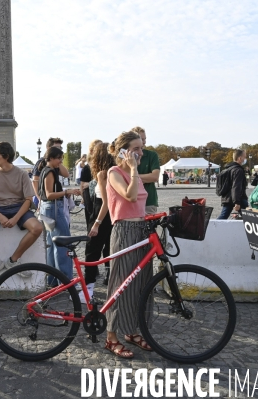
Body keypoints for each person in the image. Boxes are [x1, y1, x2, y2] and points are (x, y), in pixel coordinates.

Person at [104, 130, 152, 358]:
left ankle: (132, 330)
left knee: (141, 284)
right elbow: (130, 197)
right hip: (125, 232)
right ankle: (111, 335)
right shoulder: (114, 172)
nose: (140, 153)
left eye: (141, 148)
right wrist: (133, 169)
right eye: (136, 148)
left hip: (142, 231)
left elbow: (140, 204)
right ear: (123, 151)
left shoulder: (136, 174)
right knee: (121, 284)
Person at [0, 142, 43, 281]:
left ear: (5, 156)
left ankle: (13, 260)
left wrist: (16, 218)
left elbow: (28, 200)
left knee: (37, 228)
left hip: (18, 206)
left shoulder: (22, 174)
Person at [37, 146, 81, 284]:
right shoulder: (49, 172)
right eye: (58, 158)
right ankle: (66, 280)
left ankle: (53, 280)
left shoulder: (46, 170)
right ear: (50, 158)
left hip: (48, 208)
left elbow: (66, 174)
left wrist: (58, 163)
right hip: (53, 207)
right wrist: (67, 192)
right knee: (63, 244)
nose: (60, 161)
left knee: (52, 244)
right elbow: (49, 194)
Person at [80, 142, 114, 301]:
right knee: (110, 252)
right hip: (112, 216)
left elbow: (105, 202)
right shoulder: (115, 172)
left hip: (101, 214)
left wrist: (96, 223)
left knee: (92, 253)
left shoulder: (102, 174)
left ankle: (87, 290)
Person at [31, 138, 69, 208]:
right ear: (48, 148)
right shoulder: (41, 162)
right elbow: (35, 181)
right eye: (56, 147)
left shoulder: (55, 163)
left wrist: (58, 160)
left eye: (60, 147)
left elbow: (66, 174)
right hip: (44, 199)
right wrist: (39, 198)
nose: (59, 149)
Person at [132, 126, 160, 215]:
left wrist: (132, 178)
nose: (144, 142)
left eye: (145, 139)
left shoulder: (152, 155)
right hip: (131, 201)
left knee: (148, 228)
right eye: (141, 139)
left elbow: (155, 177)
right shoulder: (126, 156)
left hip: (149, 201)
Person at [217, 149, 249, 219]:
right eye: (244, 157)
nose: (245, 159)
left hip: (228, 198)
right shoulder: (238, 170)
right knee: (249, 218)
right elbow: (236, 187)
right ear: (240, 158)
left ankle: (213, 228)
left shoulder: (228, 169)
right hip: (238, 198)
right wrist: (237, 202)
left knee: (222, 217)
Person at [80, 140, 103, 226]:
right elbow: (82, 186)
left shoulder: (104, 165)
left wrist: (91, 183)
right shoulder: (86, 168)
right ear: (92, 151)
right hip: (91, 199)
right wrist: (84, 199)